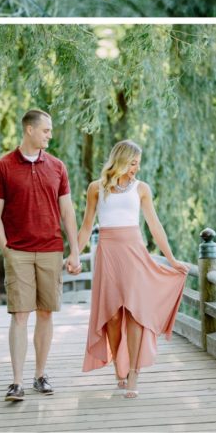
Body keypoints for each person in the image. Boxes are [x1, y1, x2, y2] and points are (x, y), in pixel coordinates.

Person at [76, 139, 188, 398]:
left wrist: (171, 259)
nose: (136, 168)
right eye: (133, 163)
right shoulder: (96, 188)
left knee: (135, 313)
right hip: (108, 254)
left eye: (138, 164)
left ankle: (135, 373)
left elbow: (154, 225)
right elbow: (85, 226)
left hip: (134, 252)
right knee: (113, 316)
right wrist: (73, 255)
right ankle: (119, 366)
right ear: (121, 159)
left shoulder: (141, 189)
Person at [0, 108, 82, 403]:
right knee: (20, 315)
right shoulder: (2, 167)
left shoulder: (57, 167)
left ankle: (40, 376)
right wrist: (5, 248)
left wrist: (75, 251)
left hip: (51, 250)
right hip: (18, 252)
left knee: (45, 312)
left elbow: (67, 211)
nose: (50, 135)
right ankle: (16, 383)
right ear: (29, 129)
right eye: (46, 130)